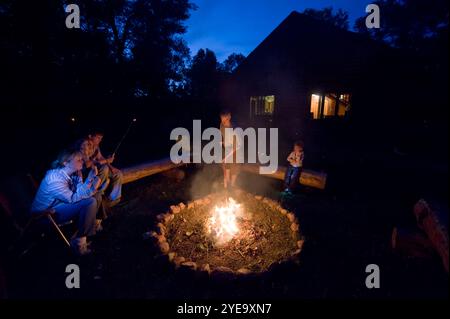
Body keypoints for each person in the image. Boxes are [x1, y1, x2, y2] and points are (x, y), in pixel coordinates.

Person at [31, 149, 103, 255]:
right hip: (45, 215)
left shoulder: (75, 172)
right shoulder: (54, 179)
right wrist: (92, 189)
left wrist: (90, 178)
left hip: (59, 206)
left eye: (82, 159)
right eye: (78, 160)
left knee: (96, 195)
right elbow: (73, 198)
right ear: (65, 163)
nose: (82, 161)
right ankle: (79, 243)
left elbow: (80, 190)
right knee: (90, 201)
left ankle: (86, 228)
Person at [80, 131, 123, 207]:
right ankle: (97, 192)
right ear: (90, 136)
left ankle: (113, 199)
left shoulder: (96, 146)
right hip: (86, 173)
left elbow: (100, 158)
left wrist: (112, 167)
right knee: (104, 168)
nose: (100, 140)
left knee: (118, 174)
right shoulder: (84, 145)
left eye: (101, 138)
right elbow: (87, 164)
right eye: (98, 138)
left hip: (96, 169)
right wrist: (106, 161)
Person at [219, 109, 240, 190]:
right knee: (226, 167)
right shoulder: (222, 125)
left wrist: (225, 158)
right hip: (228, 149)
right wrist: (222, 141)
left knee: (234, 168)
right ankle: (226, 186)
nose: (223, 120)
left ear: (229, 116)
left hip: (236, 151)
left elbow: (235, 148)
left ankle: (232, 186)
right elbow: (221, 133)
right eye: (221, 118)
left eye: (225, 118)